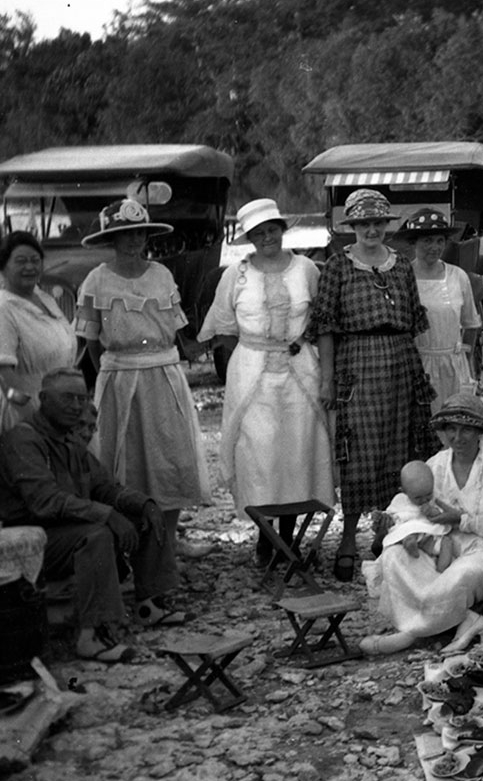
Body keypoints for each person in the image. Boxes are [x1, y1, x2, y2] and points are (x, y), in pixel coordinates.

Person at [0, 368, 188, 661]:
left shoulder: (70, 440)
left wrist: (141, 503)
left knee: (147, 514)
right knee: (95, 536)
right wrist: (106, 515)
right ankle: (91, 635)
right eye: (67, 399)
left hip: (67, 528)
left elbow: (104, 486)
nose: (76, 406)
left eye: (81, 398)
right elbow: (45, 501)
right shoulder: (23, 440)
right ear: (44, 400)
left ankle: (150, 604)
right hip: (34, 540)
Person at [308, 188, 437, 581]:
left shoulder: (400, 267)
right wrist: (327, 380)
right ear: (352, 227)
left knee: (400, 446)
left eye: (378, 222)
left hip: (399, 362)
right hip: (356, 363)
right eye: (364, 223)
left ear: (386, 225)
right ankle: (349, 539)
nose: (372, 230)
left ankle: (388, 534)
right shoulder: (337, 267)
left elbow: (413, 324)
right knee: (357, 451)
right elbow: (325, 327)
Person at [75, 200, 214, 565]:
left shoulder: (161, 276)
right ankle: (129, 544)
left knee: (170, 456)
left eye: (139, 232)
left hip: (161, 372)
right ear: (112, 239)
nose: (133, 240)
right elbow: (91, 340)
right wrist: (109, 374)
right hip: (119, 375)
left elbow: (177, 329)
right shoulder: (97, 279)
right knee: (123, 459)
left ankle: (166, 540)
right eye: (124, 234)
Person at [197, 199, 334, 565]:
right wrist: (237, 371)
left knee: (298, 450)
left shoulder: (306, 269)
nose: (267, 237)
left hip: (300, 369)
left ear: (282, 230)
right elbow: (223, 330)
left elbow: (321, 323)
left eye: (272, 229)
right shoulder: (236, 275)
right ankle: (265, 533)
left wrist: (324, 374)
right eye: (259, 233)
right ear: (249, 237)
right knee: (259, 451)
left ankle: (287, 537)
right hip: (252, 371)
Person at [361, 395, 483, 656]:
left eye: (466, 429)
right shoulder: (435, 465)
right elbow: (416, 513)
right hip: (442, 549)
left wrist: (463, 520)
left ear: (480, 431)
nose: (458, 437)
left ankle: (412, 633)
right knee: (394, 556)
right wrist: (390, 524)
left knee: (462, 575)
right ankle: (465, 619)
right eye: (451, 429)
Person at [399, 209, 480, 411]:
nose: (434, 247)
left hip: (453, 366)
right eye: (427, 241)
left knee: (455, 426)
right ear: (413, 242)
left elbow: (471, 324)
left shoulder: (458, 276)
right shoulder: (401, 278)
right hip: (417, 368)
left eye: (439, 241)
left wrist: (464, 358)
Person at [0, 231, 76, 436]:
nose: (30, 267)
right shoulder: (3, 308)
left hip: (60, 411)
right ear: (4, 266)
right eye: (21, 261)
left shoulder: (45, 299)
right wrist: (33, 418)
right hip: (28, 417)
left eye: (35, 260)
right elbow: (5, 379)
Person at [384, 460, 459, 573]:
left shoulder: (436, 497)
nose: (424, 500)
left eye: (428, 495)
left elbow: (445, 515)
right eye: (418, 498)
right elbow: (392, 515)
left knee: (447, 542)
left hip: (430, 535)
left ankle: (442, 568)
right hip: (408, 530)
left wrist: (433, 512)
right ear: (404, 491)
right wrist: (384, 518)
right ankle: (410, 543)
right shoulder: (400, 500)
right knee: (408, 533)